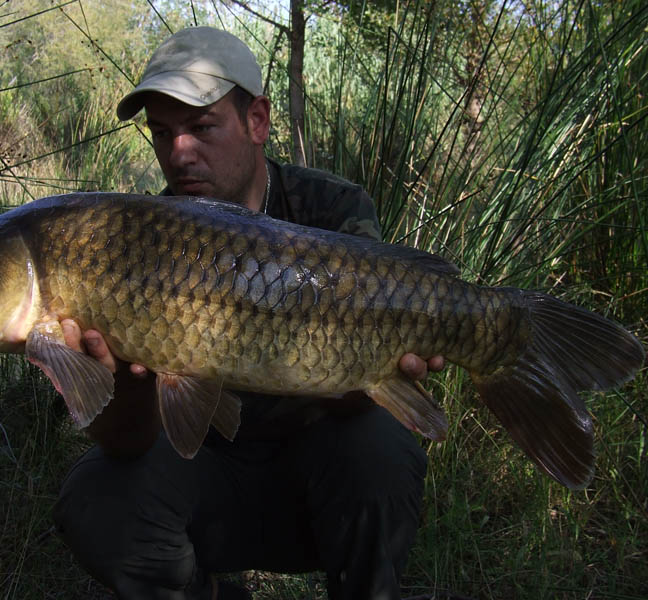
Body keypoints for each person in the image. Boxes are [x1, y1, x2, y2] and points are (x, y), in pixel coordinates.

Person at [53, 26, 444, 600]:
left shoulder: (331, 210)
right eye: (162, 133)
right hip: (208, 483)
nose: (178, 152)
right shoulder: (131, 244)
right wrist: (133, 380)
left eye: (201, 126)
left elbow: (357, 404)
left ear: (257, 121)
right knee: (94, 497)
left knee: (380, 448)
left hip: (315, 478)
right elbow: (128, 444)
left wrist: (377, 370)